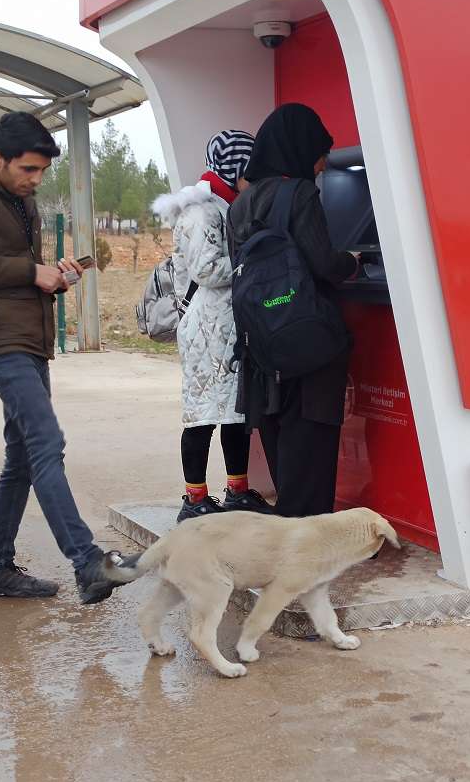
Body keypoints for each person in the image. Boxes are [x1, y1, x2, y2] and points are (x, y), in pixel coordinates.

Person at [0, 111, 132, 605]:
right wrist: (29, 272)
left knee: (21, 458)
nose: (36, 179)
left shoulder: (21, 199)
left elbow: (16, 269)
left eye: (42, 171)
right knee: (45, 441)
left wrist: (54, 276)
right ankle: (87, 561)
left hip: (29, 339)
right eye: (29, 169)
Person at [227, 104, 358, 518]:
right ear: (299, 149)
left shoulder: (240, 204)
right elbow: (324, 263)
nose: (322, 164)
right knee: (311, 460)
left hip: (262, 350)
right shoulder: (300, 193)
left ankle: (290, 533)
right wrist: (354, 261)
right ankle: (306, 543)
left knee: (285, 458)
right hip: (307, 348)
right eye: (320, 153)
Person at [153, 129, 275, 522]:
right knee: (203, 414)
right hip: (205, 328)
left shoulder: (224, 206)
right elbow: (206, 270)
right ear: (234, 167)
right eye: (249, 170)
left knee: (235, 413)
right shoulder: (201, 211)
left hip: (225, 324)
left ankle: (237, 491)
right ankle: (194, 500)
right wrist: (253, 262)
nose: (253, 178)